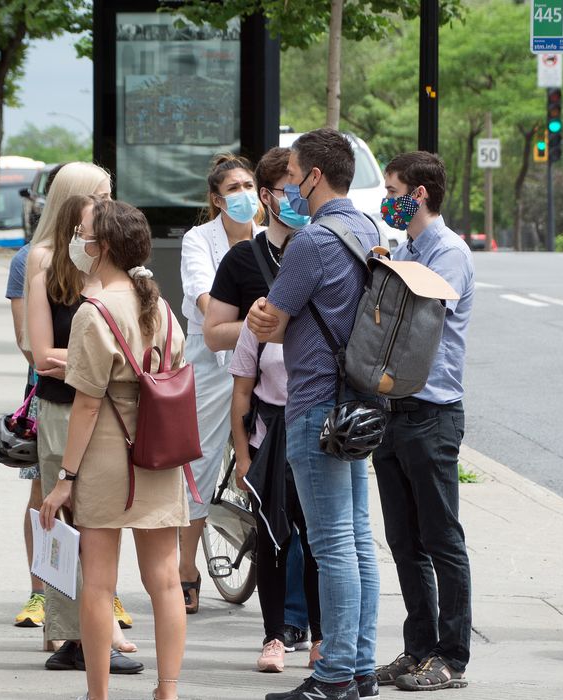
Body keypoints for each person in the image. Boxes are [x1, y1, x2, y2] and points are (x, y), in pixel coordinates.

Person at [248, 128, 382, 700]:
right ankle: (361, 667)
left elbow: (270, 321)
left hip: (315, 406)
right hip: (358, 404)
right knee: (356, 542)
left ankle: (332, 677)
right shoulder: (368, 230)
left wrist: (267, 312)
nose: (289, 189)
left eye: (294, 176)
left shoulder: (312, 242)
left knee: (331, 546)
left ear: (314, 177)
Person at [40, 196, 188, 700]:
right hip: (160, 452)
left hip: (107, 454)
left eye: (82, 233)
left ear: (101, 248)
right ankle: (167, 689)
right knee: (165, 581)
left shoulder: (94, 310)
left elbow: (86, 405)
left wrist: (65, 479)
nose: (77, 241)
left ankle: (98, 693)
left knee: (99, 583)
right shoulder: (163, 308)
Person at [25, 162, 140, 672]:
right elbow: (38, 353)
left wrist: (78, 358)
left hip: (108, 411)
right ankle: (74, 635)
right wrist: (86, 358)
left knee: (98, 524)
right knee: (64, 521)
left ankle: (92, 629)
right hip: (61, 406)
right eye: (102, 198)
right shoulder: (46, 261)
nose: (109, 208)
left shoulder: (111, 268)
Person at [211, 146, 321, 673]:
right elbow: (214, 332)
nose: (296, 199)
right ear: (267, 197)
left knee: (319, 533)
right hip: (267, 421)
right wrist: (263, 326)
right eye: (285, 189)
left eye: (302, 188)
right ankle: (274, 634)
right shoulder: (241, 261)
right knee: (271, 532)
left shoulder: (321, 250)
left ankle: (320, 635)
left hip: (315, 414)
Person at [370, 152, 474, 692]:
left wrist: (383, 277)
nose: (388, 198)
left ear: (421, 194)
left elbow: (415, 317)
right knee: (404, 541)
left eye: (394, 189)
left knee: (442, 541)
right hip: (392, 411)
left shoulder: (448, 253)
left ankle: (452, 658)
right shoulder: (407, 249)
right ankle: (418, 650)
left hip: (431, 414)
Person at [178, 154, 261, 613]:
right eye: (234, 187)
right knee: (202, 460)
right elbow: (201, 293)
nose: (245, 194)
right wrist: (236, 315)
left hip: (263, 360)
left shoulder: (271, 240)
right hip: (211, 361)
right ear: (216, 199)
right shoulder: (199, 240)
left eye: (250, 185)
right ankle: (186, 568)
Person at [7, 238, 48, 627]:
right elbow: (28, 345)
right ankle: (40, 592)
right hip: (46, 392)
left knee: (98, 499)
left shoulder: (105, 247)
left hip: (101, 388)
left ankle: (105, 593)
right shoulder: (28, 259)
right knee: (42, 490)